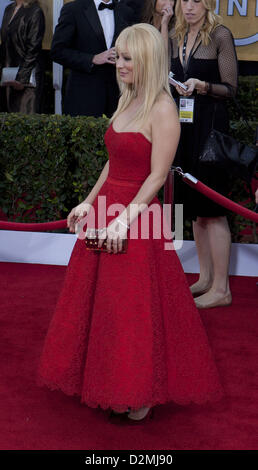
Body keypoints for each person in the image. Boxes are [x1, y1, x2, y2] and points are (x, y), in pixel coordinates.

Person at [37, 23, 223, 422]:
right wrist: (88, 203)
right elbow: (112, 160)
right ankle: (107, 379)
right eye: (118, 56)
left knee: (134, 309)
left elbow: (157, 176)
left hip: (138, 217)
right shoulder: (128, 100)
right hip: (107, 211)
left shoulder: (162, 108)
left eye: (126, 58)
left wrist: (124, 220)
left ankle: (139, 392)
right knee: (101, 306)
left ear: (148, 61)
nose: (118, 64)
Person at [170, 0, 238, 309]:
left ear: (208, 4)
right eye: (184, 0)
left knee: (213, 207)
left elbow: (231, 88)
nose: (189, 6)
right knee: (196, 208)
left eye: (196, 0)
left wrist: (202, 86)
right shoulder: (177, 34)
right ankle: (206, 278)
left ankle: (222, 289)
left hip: (211, 129)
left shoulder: (220, 35)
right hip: (185, 128)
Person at [50, 0, 134, 117]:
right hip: (84, 96)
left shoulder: (126, 12)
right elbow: (57, 51)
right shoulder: (73, 9)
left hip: (118, 96)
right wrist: (92, 59)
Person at [0, 0, 45, 113]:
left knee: (26, 124)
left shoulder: (35, 11)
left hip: (28, 82)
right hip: (8, 78)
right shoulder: (9, 9)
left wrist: (21, 78)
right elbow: (5, 44)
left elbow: (34, 47)